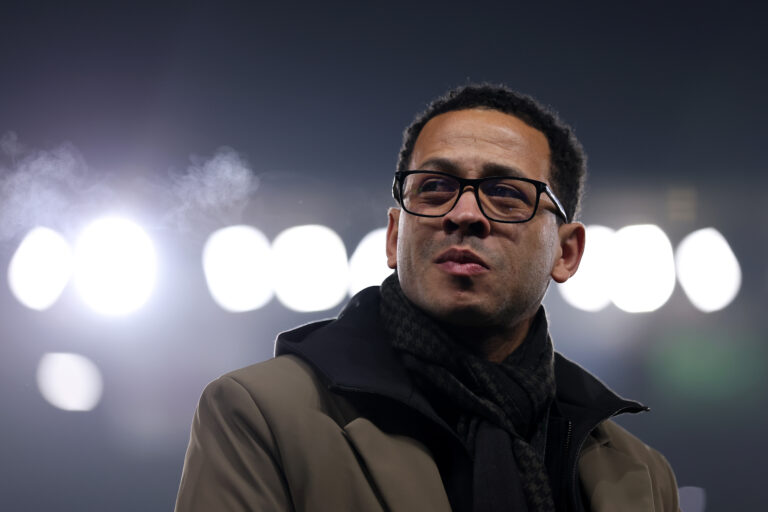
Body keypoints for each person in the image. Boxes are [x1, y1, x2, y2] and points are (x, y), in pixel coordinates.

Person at [174, 84, 680, 511]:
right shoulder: (259, 414)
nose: (464, 213)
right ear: (395, 237)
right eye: (435, 187)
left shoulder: (641, 475)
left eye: (505, 193)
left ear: (566, 253)